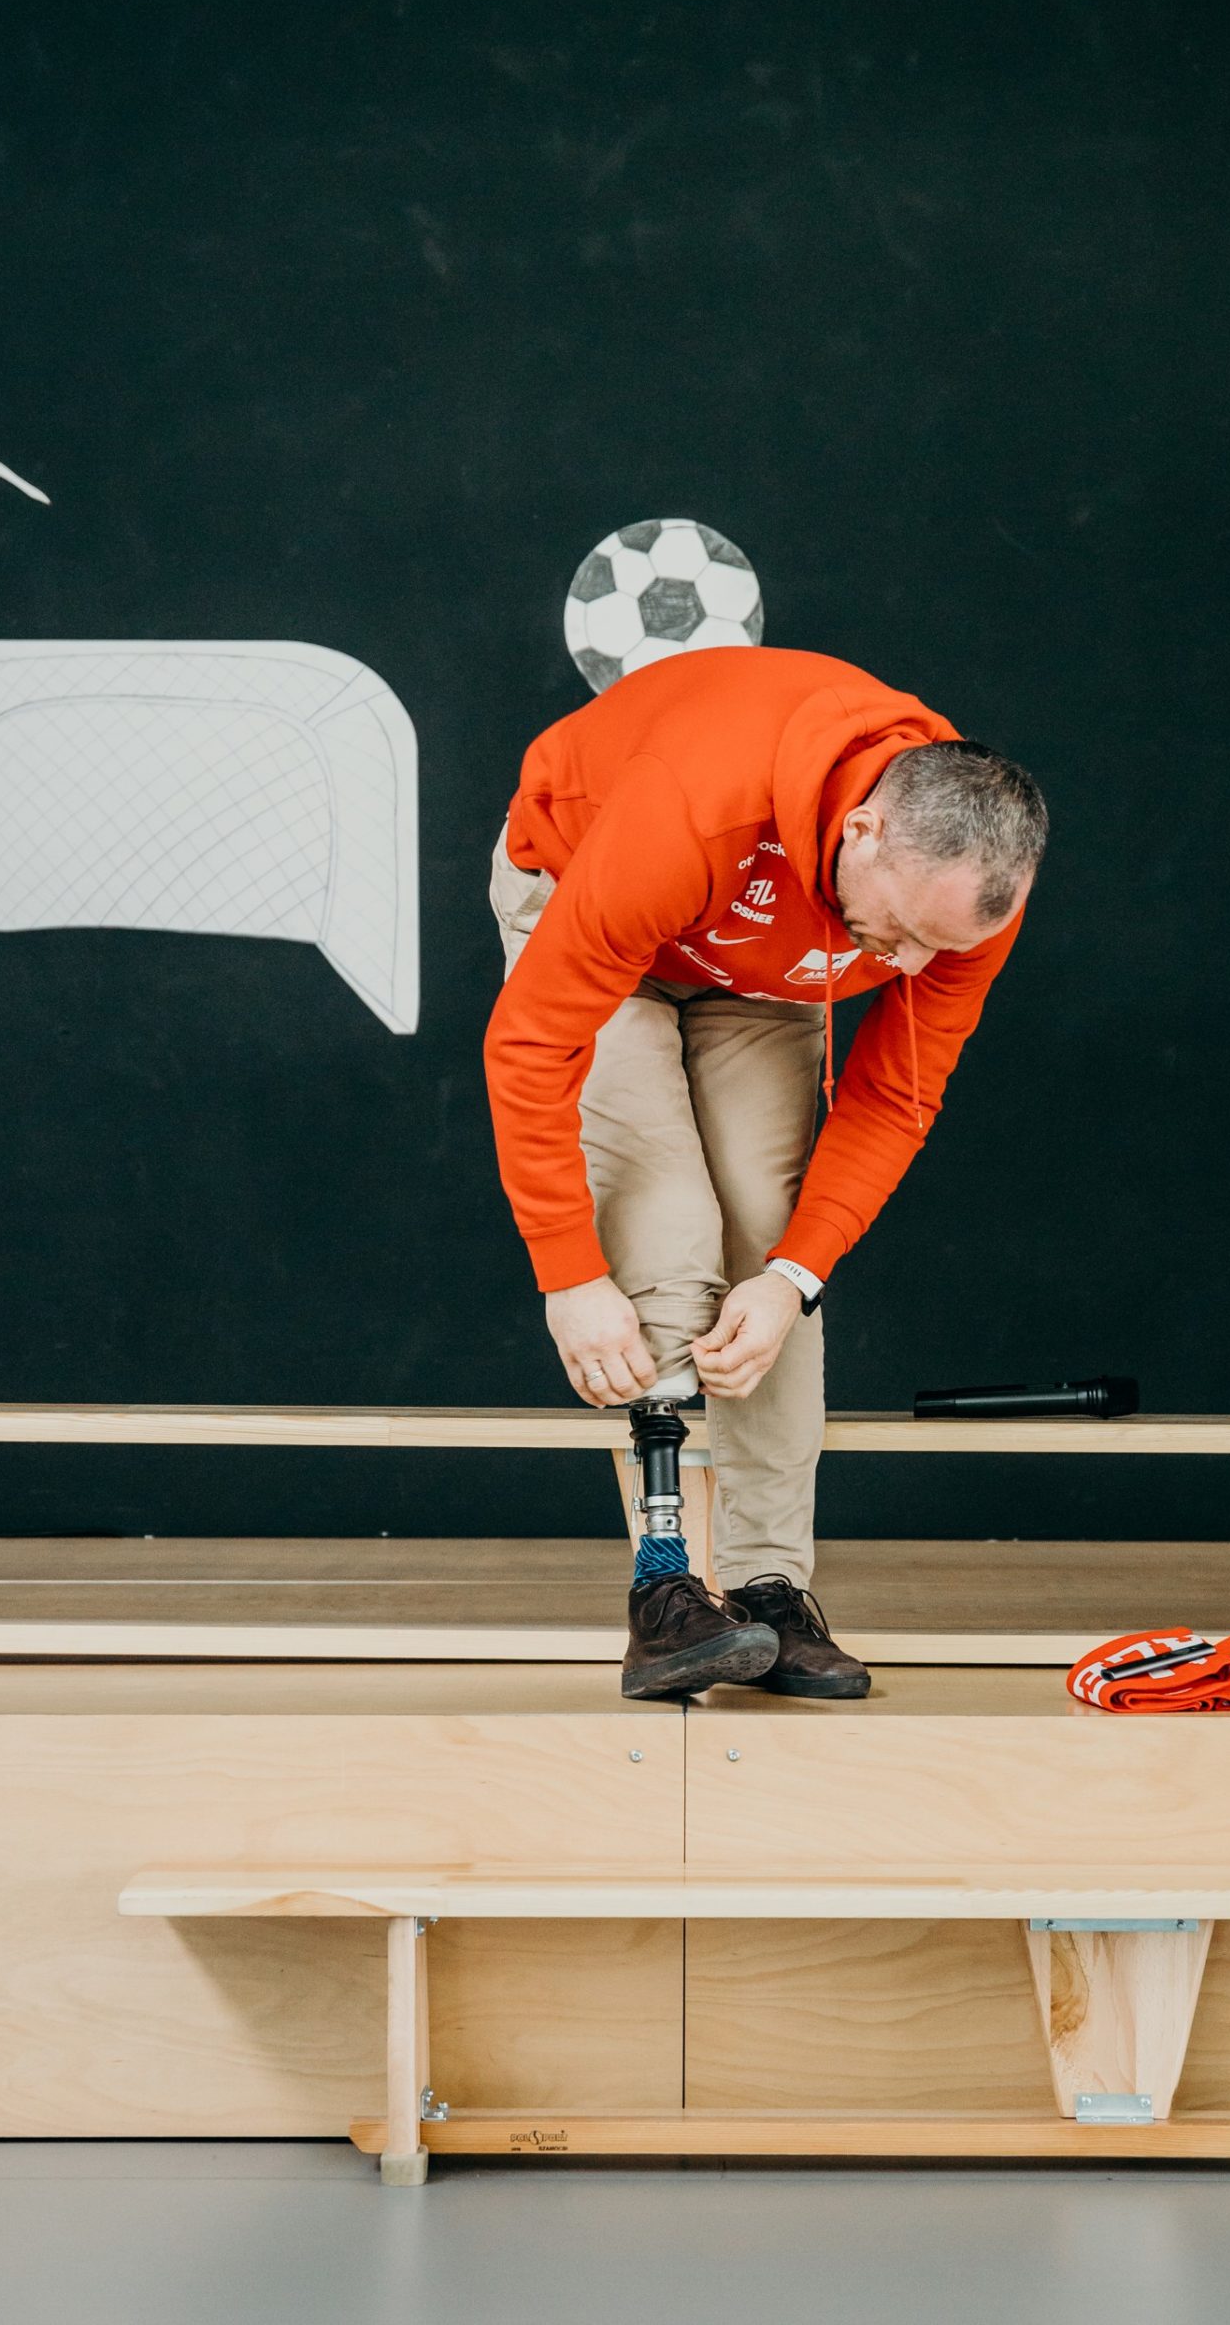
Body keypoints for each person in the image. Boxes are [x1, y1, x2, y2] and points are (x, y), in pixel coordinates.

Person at [484, 644, 1046, 1700]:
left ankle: (770, 1590)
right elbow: (530, 1046)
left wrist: (794, 1275)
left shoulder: (952, 905)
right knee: (664, 1223)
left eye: (936, 948)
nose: (908, 967)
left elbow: (895, 1097)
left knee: (772, 1236)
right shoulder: (691, 809)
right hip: (601, 889)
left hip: (767, 956)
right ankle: (664, 1595)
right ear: (862, 829)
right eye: (903, 933)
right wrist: (569, 1274)